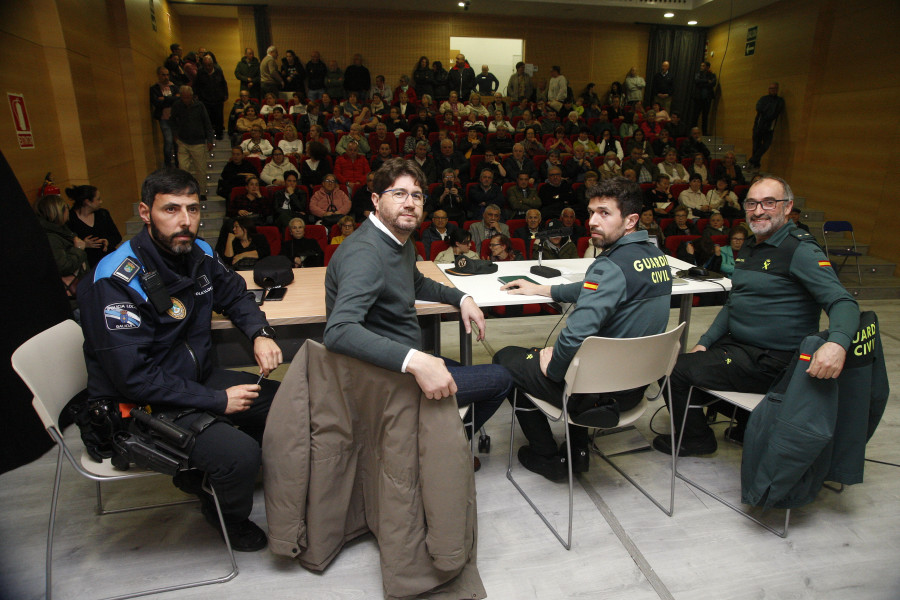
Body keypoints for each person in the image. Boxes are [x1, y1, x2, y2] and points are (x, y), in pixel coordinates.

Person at [78, 168, 282, 551]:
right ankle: (225, 513)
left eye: (192, 208)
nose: (185, 221)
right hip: (141, 404)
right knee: (241, 455)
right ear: (144, 212)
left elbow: (236, 294)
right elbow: (133, 379)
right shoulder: (116, 279)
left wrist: (259, 332)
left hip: (194, 378)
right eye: (171, 209)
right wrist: (218, 402)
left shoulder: (199, 251)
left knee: (289, 404)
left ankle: (208, 467)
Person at [654, 175, 860, 455]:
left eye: (769, 203)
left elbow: (843, 301)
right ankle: (746, 423)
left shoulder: (800, 250)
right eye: (752, 203)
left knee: (671, 369)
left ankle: (696, 439)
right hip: (739, 349)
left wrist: (837, 342)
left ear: (787, 207)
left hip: (771, 360)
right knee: (680, 361)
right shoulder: (751, 246)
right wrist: (706, 340)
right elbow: (735, 303)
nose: (759, 210)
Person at [494, 177, 672, 480]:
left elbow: (576, 334)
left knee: (506, 360)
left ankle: (548, 456)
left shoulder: (609, 266)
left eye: (604, 213)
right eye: (591, 212)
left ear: (630, 220)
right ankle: (577, 450)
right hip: (633, 387)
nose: (592, 221)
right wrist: (544, 290)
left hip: (596, 392)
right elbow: (593, 289)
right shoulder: (656, 257)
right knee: (570, 358)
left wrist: (554, 368)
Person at [324, 158, 511, 443]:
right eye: (398, 193)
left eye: (417, 195)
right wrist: (417, 362)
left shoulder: (398, 239)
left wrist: (462, 298)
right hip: (385, 377)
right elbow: (338, 332)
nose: (410, 203)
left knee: (468, 372)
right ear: (376, 200)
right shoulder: (365, 253)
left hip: (400, 362)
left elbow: (417, 283)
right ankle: (443, 447)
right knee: (502, 379)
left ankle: (433, 443)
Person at [35, 194, 89, 298]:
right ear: (58, 212)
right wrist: (78, 249)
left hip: (80, 292)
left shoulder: (62, 231)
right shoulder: (52, 238)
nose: (69, 210)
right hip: (73, 297)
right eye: (66, 207)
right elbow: (63, 267)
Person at [169, 86, 213, 199]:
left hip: (198, 142)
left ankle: (201, 192)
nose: (186, 100)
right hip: (183, 141)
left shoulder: (199, 106)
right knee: (183, 168)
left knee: (201, 169)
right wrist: (175, 135)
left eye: (188, 97)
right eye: (184, 98)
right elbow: (172, 121)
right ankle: (185, 191)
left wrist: (210, 140)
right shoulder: (177, 105)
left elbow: (207, 123)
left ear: (192, 96)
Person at [65, 185, 122, 268]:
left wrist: (108, 241)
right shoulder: (70, 219)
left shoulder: (103, 214)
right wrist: (84, 244)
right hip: (88, 265)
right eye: (98, 199)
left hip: (108, 261)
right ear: (87, 202)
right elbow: (66, 246)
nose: (101, 202)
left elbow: (117, 236)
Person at [749, 82, 785, 169]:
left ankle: (753, 161)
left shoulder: (780, 100)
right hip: (759, 125)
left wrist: (767, 113)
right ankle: (755, 164)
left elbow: (775, 113)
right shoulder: (763, 99)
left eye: (775, 88)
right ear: (768, 90)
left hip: (769, 127)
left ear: (777, 90)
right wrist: (768, 112)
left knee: (766, 145)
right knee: (756, 145)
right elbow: (759, 108)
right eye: (771, 88)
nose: (773, 90)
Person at [149, 67, 179, 167]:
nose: (166, 77)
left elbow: (178, 100)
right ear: (158, 75)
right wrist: (171, 100)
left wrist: (164, 99)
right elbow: (157, 103)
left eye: (167, 75)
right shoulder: (155, 88)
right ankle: (168, 166)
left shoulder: (174, 87)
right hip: (163, 119)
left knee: (177, 143)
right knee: (168, 141)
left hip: (175, 119)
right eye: (163, 75)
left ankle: (178, 165)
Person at [194, 55, 228, 140]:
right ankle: (207, 136)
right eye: (205, 65)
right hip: (205, 100)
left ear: (213, 64)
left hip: (218, 99)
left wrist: (225, 94)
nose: (208, 67)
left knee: (219, 117)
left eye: (209, 65)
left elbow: (223, 83)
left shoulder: (218, 71)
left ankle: (219, 134)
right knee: (206, 118)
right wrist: (197, 96)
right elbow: (196, 86)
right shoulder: (200, 72)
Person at [692, 61, 717, 134]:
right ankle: (694, 132)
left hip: (707, 99)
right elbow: (697, 81)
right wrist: (706, 81)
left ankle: (704, 132)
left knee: (705, 116)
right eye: (701, 65)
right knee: (695, 116)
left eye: (703, 66)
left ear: (707, 67)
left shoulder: (712, 75)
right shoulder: (698, 74)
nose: (701, 67)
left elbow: (713, 83)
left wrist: (702, 83)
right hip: (698, 98)